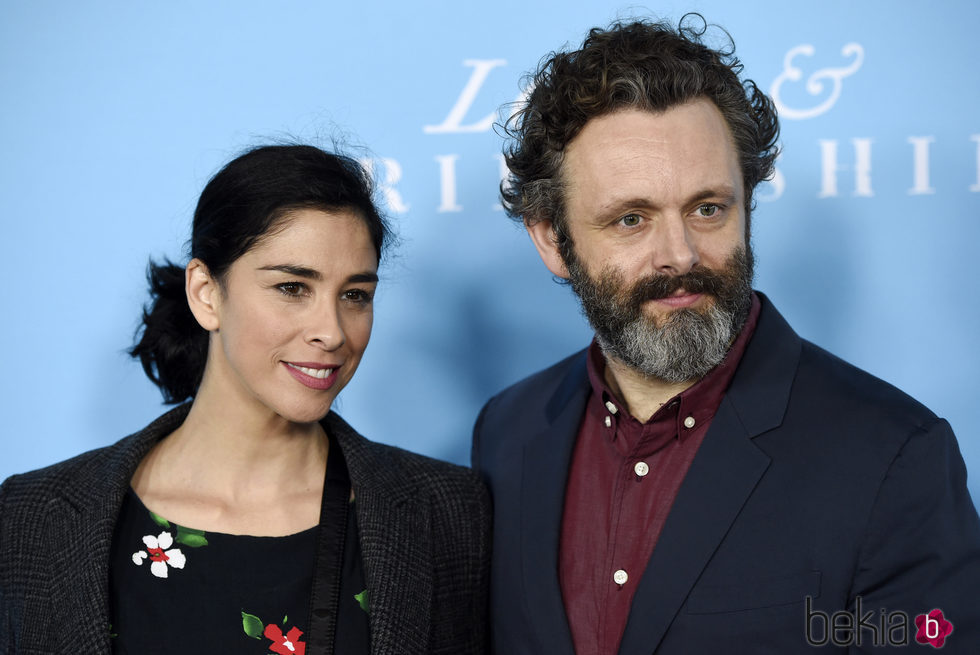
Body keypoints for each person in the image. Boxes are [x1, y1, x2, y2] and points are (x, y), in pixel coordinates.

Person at [472, 15, 980, 654]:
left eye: (707, 208)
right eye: (631, 220)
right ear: (552, 239)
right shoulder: (508, 431)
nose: (680, 255)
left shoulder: (895, 456)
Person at [0, 145, 490, 654]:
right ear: (206, 293)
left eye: (355, 295)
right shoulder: (32, 520)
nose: (332, 332)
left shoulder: (447, 513)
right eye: (292, 287)